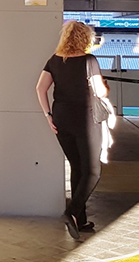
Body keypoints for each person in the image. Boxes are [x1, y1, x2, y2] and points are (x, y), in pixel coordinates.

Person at [36, 20, 108, 239]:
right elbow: (100, 92)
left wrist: (48, 115)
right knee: (93, 171)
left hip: (61, 119)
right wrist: (105, 85)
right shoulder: (89, 60)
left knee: (77, 167)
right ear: (85, 38)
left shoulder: (55, 60)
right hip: (85, 120)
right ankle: (72, 212)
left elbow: (40, 88)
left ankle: (81, 220)